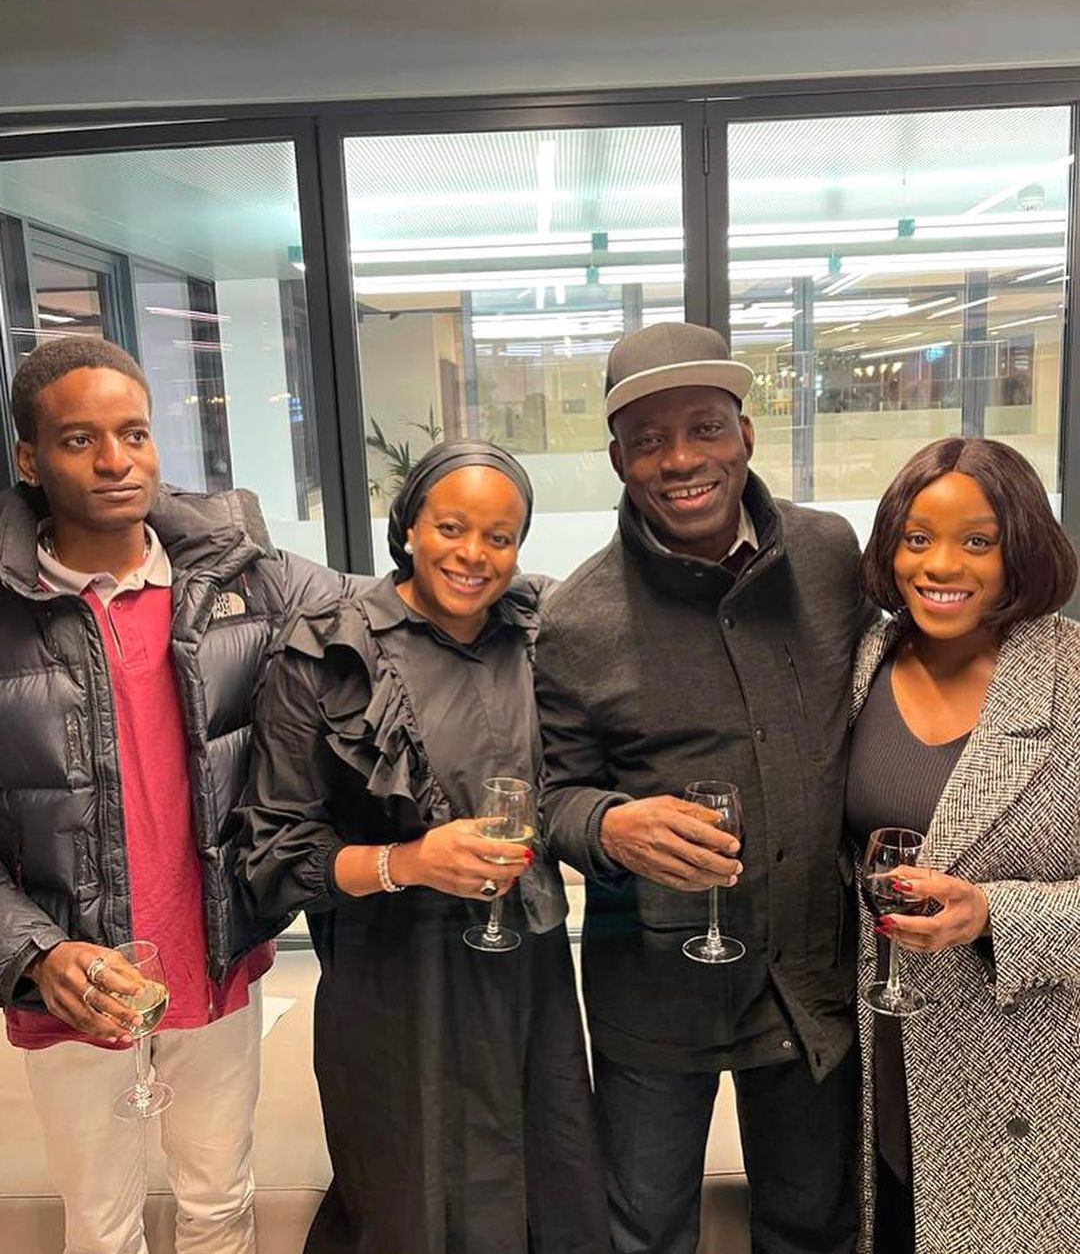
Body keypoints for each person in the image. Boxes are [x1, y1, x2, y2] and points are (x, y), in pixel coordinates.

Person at [0, 336, 351, 1254]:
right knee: (102, 1225)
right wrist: (37, 955)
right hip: (73, 981)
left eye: (135, 433)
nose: (118, 461)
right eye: (80, 440)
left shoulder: (243, 579)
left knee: (218, 1201)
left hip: (215, 956)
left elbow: (392, 608)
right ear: (30, 458)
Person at [534, 321, 874, 1254]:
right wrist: (610, 823)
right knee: (645, 1227)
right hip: (656, 989)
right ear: (617, 459)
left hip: (810, 973)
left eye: (704, 428)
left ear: (746, 434)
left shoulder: (831, 556)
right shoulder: (576, 619)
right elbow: (552, 795)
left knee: (813, 1221)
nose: (679, 460)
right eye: (648, 440)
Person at [234, 440, 610, 1254]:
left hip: (527, 978)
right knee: (409, 1197)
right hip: (391, 983)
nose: (474, 554)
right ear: (408, 527)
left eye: (500, 536)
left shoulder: (543, 635)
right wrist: (405, 862)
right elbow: (270, 851)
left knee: (544, 1176)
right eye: (451, 526)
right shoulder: (328, 649)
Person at [846, 437, 1079, 1254]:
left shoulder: (1072, 677)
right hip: (885, 1054)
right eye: (917, 538)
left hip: (1029, 1080)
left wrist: (994, 913)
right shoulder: (866, 661)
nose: (941, 563)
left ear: (1021, 548)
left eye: (977, 540)